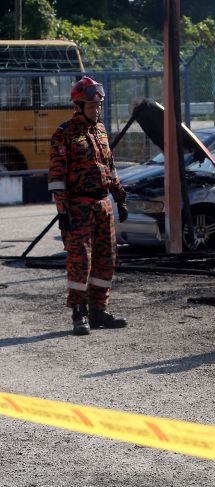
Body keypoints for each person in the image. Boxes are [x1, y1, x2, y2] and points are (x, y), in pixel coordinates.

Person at [48, 76, 129, 336]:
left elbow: (110, 168)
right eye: (92, 106)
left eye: (99, 105)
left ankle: (98, 311)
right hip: (78, 206)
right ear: (79, 106)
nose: (97, 110)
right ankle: (79, 313)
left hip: (103, 204)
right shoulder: (64, 133)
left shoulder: (101, 131)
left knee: (106, 260)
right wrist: (62, 211)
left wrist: (120, 198)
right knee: (80, 261)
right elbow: (57, 177)